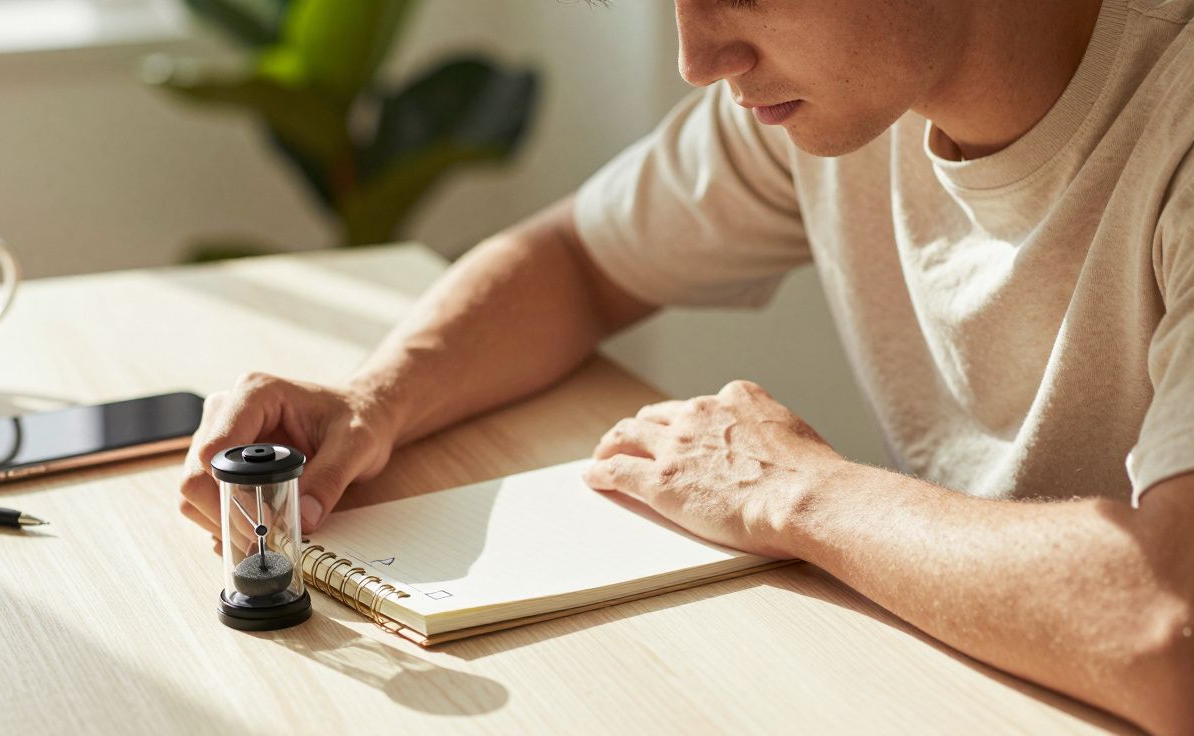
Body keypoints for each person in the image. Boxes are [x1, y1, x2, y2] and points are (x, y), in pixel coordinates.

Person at [179, 0, 1194, 729]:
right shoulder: (842, 98)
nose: (697, 54)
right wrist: (375, 395)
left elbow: (1171, 629)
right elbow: (576, 262)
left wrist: (803, 494)